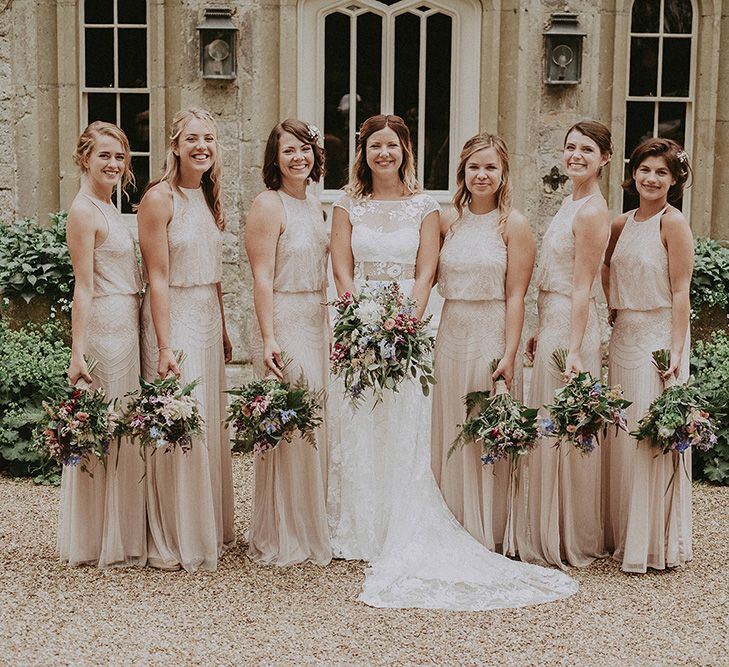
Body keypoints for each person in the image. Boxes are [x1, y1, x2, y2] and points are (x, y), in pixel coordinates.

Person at [328, 114, 577, 610]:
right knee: (371, 421)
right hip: (374, 320)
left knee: (418, 425)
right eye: (374, 145)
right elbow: (341, 265)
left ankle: (473, 524)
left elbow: (437, 275)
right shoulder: (438, 217)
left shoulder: (438, 211)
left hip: (417, 325)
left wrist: (406, 324)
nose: (384, 153)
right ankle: (360, 521)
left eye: (392, 145)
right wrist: (358, 318)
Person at [137, 108, 235, 572]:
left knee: (208, 420)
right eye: (193, 138)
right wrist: (162, 345)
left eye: (209, 139)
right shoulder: (160, 199)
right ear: (174, 145)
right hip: (172, 317)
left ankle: (206, 527)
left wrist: (225, 326)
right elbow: (156, 276)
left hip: (207, 319)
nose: (202, 146)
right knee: (182, 419)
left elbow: (215, 276)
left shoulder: (209, 196)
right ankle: (177, 533)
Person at [431, 133, 535, 555]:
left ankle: (491, 530)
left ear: (503, 172)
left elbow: (516, 295)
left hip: (492, 332)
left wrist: (509, 354)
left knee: (487, 430)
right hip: (451, 330)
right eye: (474, 166)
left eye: (490, 167)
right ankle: (451, 521)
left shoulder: (515, 225)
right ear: (462, 171)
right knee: (452, 427)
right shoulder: (445, 221)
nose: (482, 174)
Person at [519, 120, 612, 569]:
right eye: (571, 147)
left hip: (572, 329)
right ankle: (544, 526)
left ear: (605, 159)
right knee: (548, 426)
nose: (576, 155)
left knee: (567, 431)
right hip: (554, 322)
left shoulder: (593, 210)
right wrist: (540, 326)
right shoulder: (569, 202)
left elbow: (582, 287)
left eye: (587, 150)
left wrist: (574, 349)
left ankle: (568, 534)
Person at [602, 138, 694, 572]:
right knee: (622, 438)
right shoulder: (620, 224)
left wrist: (676, 350)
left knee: (650, 439)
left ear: (674, 180)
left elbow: (680, 291)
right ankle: (623, 532)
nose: (651, 178)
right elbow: (605, 268)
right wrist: (610, 309)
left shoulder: (672, 224)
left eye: (661, 172)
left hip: (659, 339)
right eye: (645, 169)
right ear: (633, 172)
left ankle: (652, 542)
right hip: (623, 336)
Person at [244, 119, 331, 565]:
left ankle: (313, 522)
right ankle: (286, 529)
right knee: (294, 422)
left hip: (317, 319)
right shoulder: (268, 204)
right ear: (275, 159)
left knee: (316, 420)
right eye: (289, 151)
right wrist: (268, 336)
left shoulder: (316, 206)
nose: (299, 158)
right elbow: (260, 276)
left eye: (305, 149)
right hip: (284, 320)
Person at [59, 121, 146, 567]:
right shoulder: (84, 211)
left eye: (119, 157)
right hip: (105, 327)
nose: (113, 164)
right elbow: (83, 288)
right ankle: (98, 536)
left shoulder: (110, 206)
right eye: (104, 156)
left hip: (127, 323)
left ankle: (122, 529)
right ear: (84, 159)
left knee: (123, 424)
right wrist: (77, 352)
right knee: (107, 427)